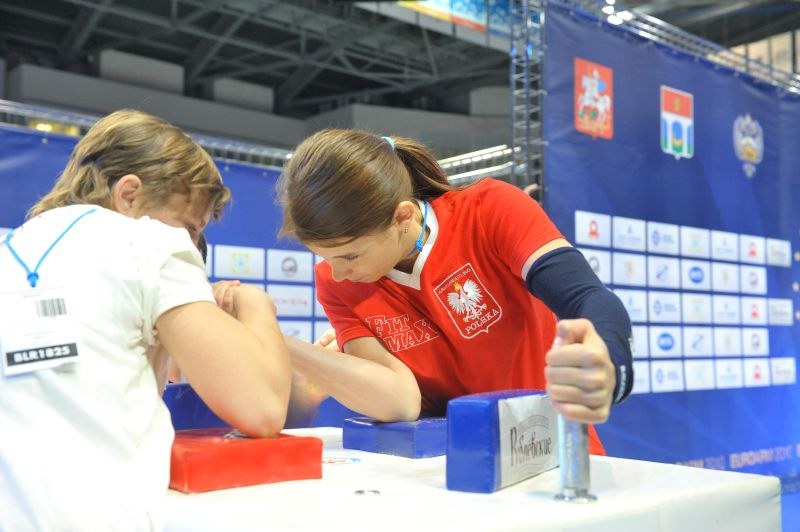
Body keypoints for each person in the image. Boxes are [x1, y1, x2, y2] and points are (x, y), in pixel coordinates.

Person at [0, 109, 291, 531]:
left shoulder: (12, 250)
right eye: (189, 227)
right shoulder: (147, 242)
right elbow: (262, 408)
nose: (193, 245)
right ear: (129, 195)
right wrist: (256, 306)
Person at [278, 129, 633, 453]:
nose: (336, 273)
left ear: (403, 217)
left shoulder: (489, 210)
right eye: (325, 257)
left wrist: (609, 362)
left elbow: (587, 297)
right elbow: (399, 402)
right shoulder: (336, 282)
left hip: (546, 449)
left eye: (350, 255)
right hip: (447, 470)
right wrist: (281, 343)